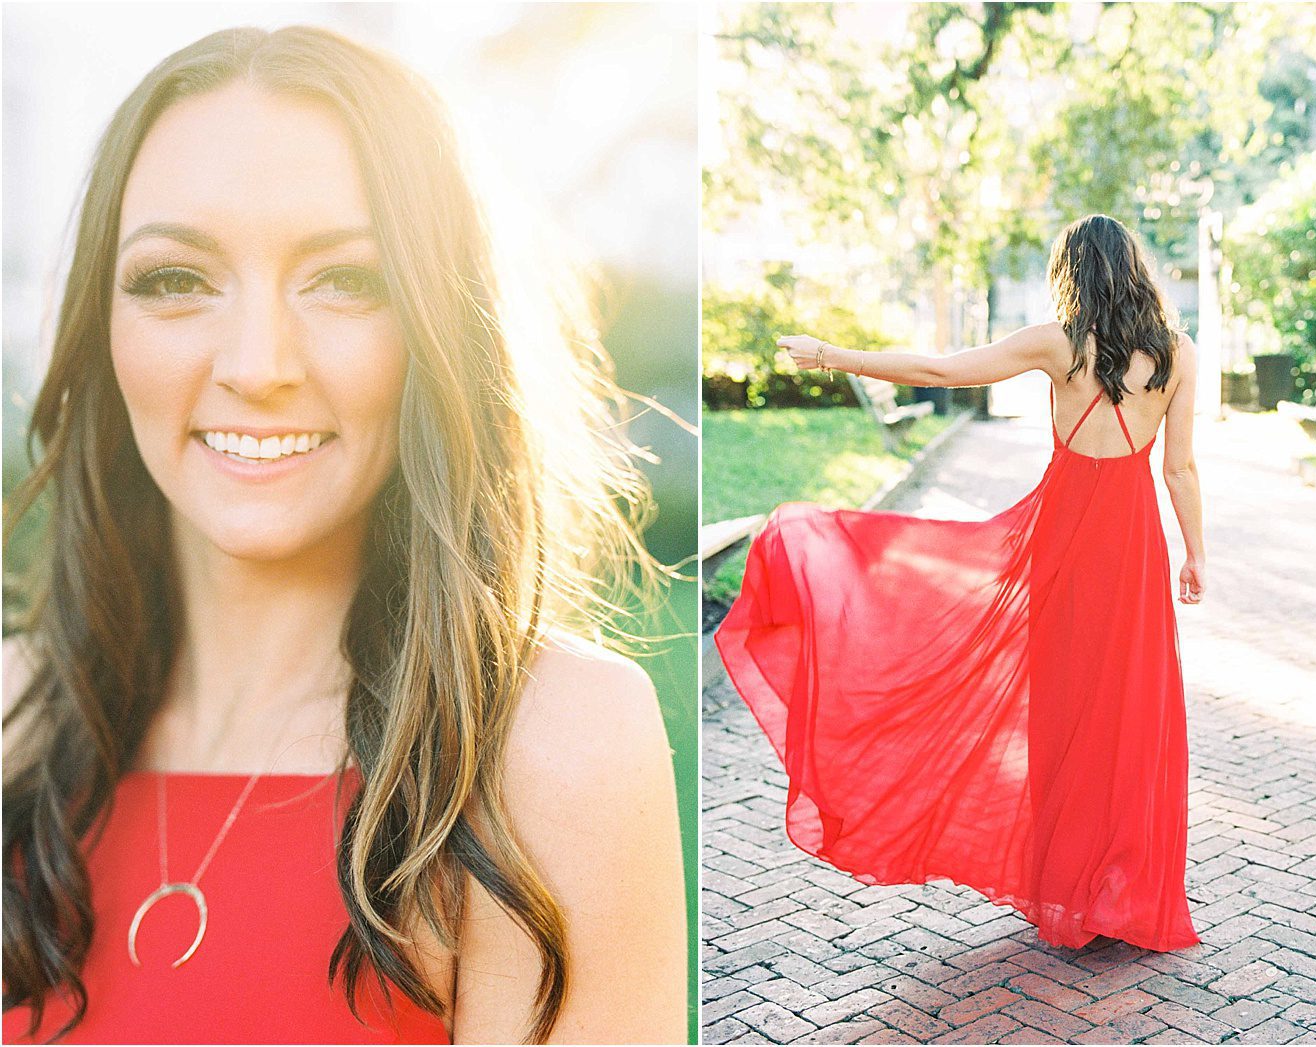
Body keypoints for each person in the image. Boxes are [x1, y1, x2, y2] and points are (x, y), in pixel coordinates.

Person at [2, 25, 687, 1045]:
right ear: (106, 325)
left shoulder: (550, 749)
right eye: (176, 279)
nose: (257, 362)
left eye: (345, 279)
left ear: (437, 327)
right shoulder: (13, 716)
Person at [715, 213, 1205, 952]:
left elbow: (942, 370)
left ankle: (1071, 890)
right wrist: (1194, 553)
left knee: (1068, 715)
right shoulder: (1176, 353)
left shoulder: (1059, 343)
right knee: (1132, 715)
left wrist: (830, 354)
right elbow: (1179, 467)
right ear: (1134, 269)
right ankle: (1121, 892)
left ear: (1074, 272)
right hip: (1134, 548)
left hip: (1068, 548)